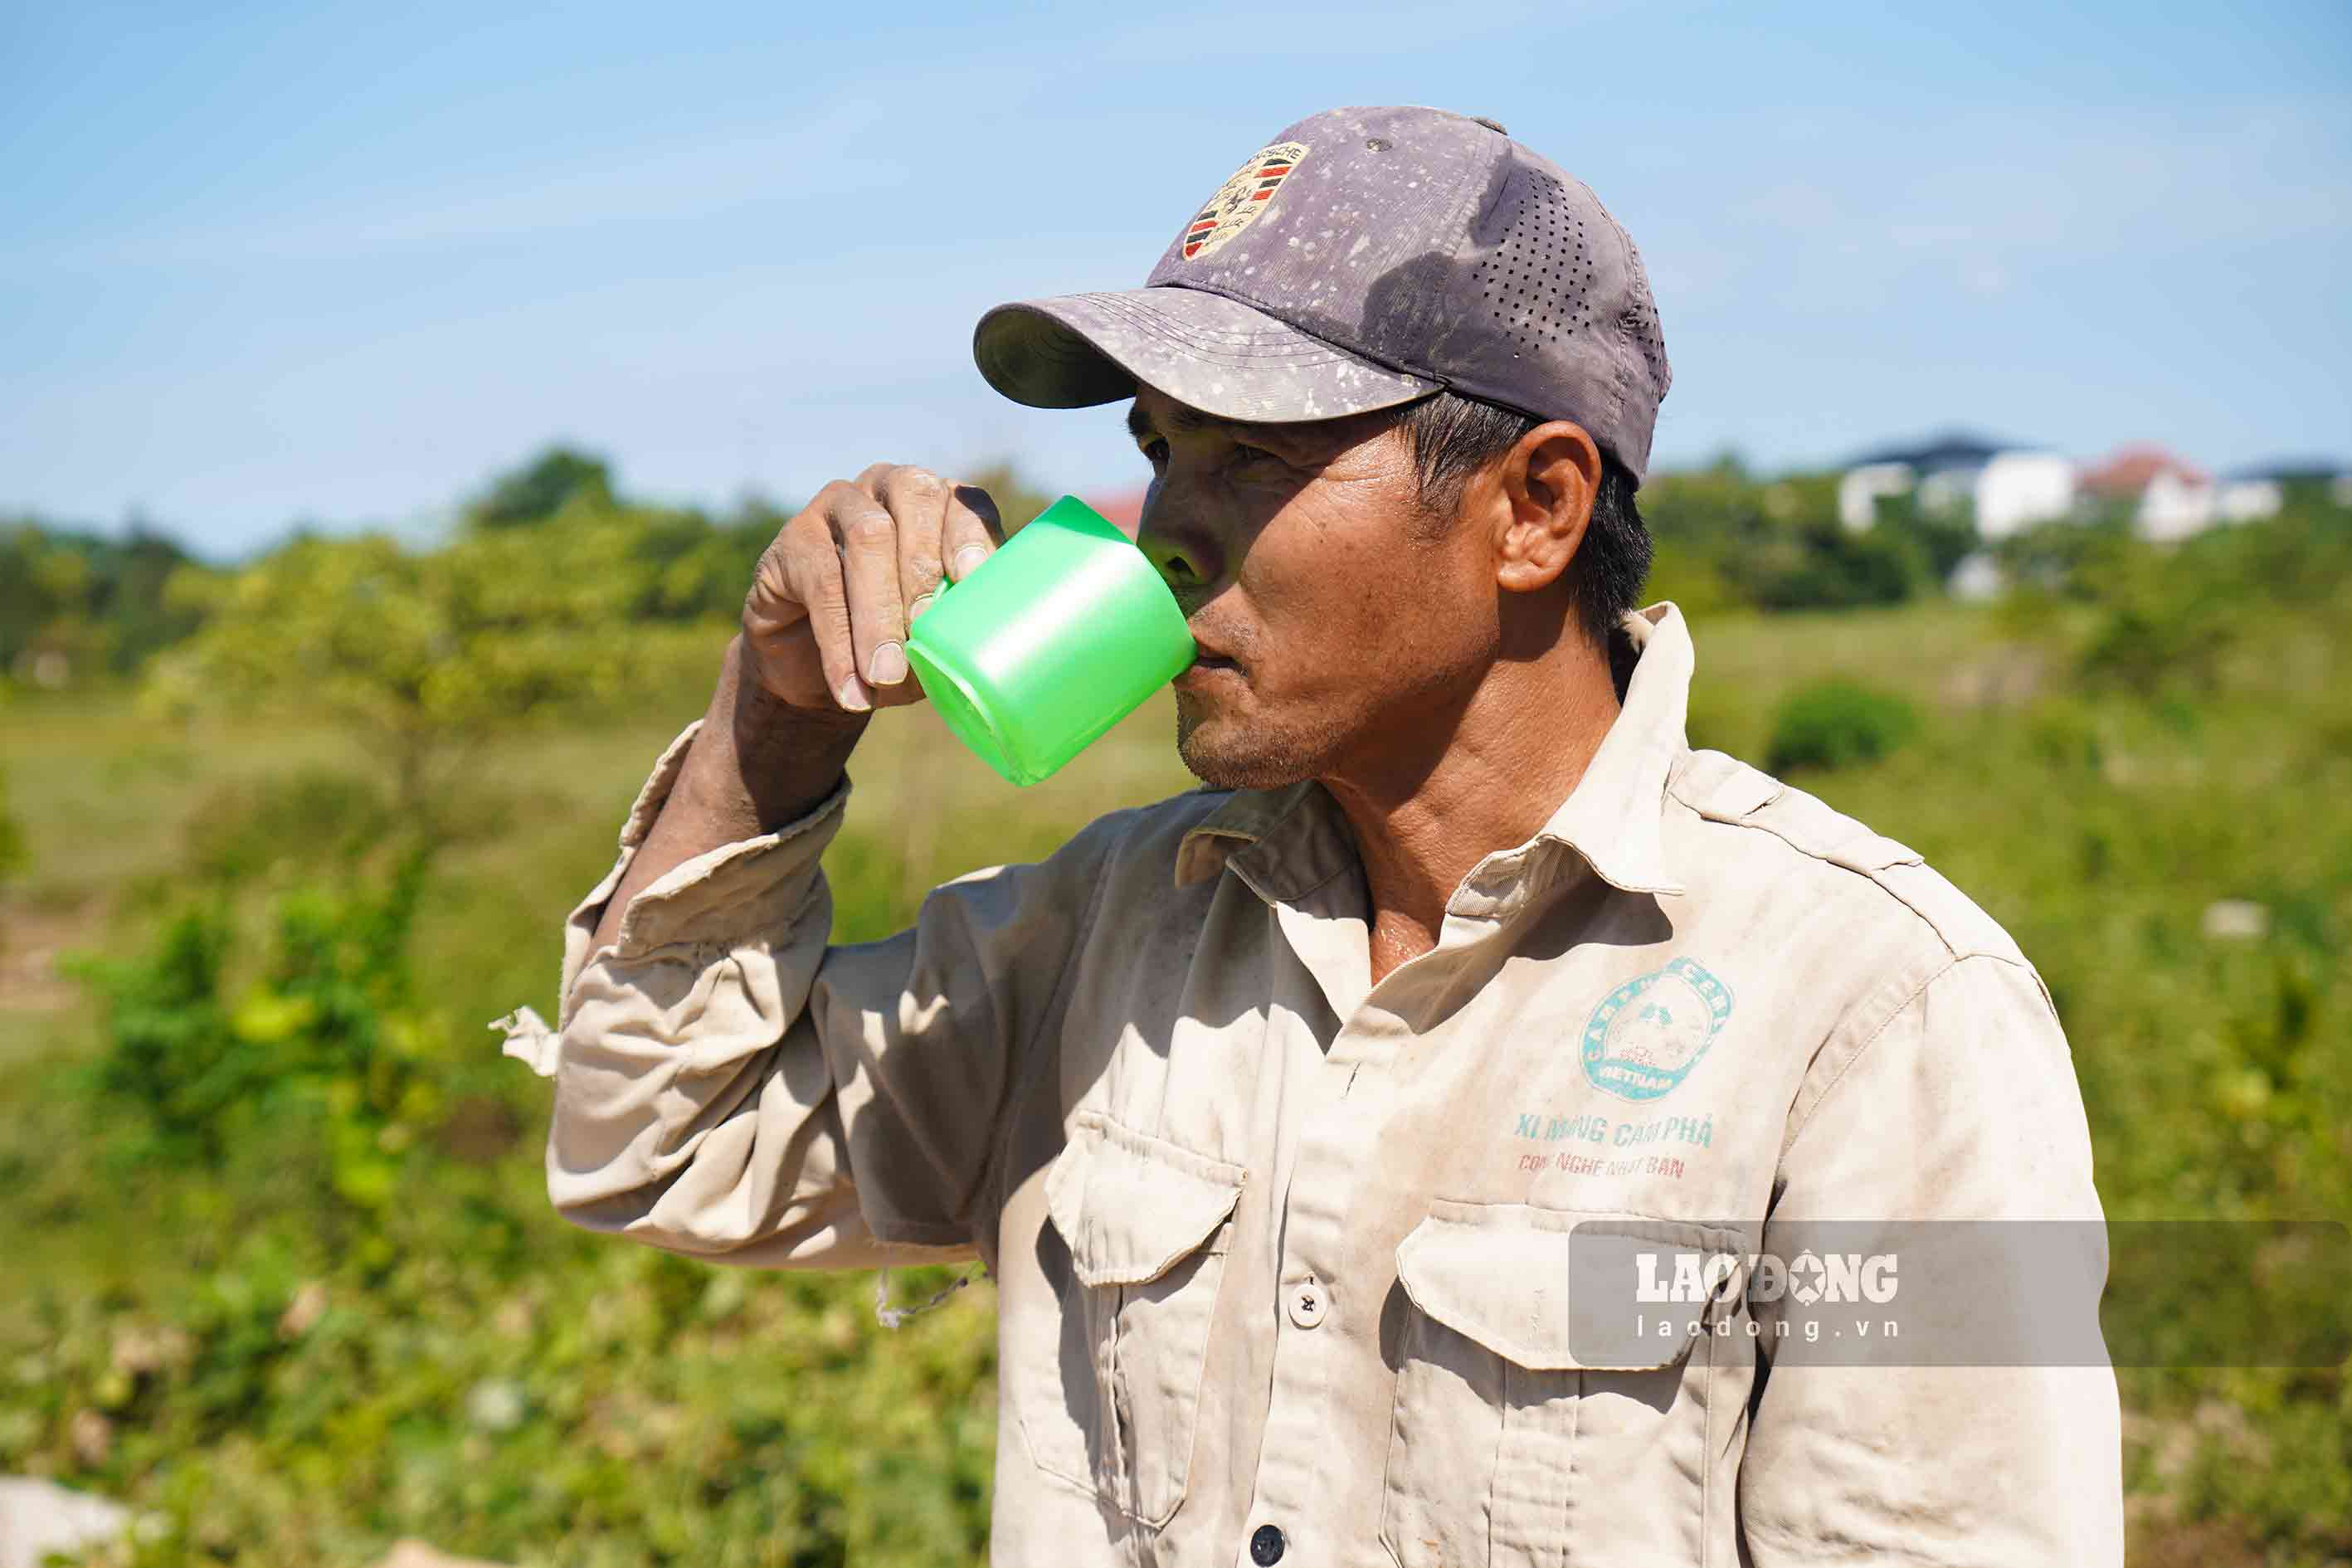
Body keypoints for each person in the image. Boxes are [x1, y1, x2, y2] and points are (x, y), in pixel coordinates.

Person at [494, 105, 2122, 1568]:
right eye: (1155, 451)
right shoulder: (1116, 926)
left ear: (1533, 507)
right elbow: (659, 1145)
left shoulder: (1867, 1005)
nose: (1166, 527)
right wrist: (777, 711)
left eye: (1253, 453)